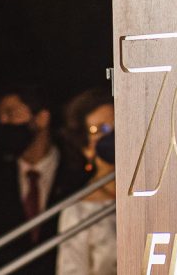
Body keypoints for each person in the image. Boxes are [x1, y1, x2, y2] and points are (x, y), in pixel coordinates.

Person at [0, 86, 86, 275]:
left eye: (11, 113)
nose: (4, 122)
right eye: (0, 117)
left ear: (42, 118)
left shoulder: (77, 176)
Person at [56, 88, 117, 275]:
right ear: (86, 147)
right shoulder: (78, 212)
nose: (112, 135)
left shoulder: (152, 195)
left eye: (116, 126)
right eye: (101, 129)